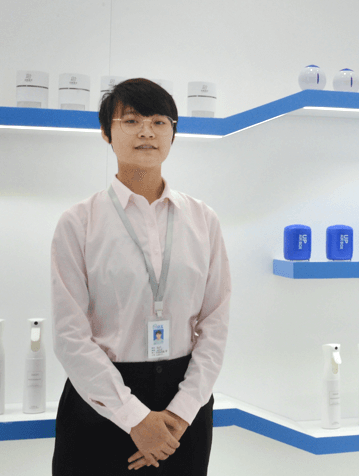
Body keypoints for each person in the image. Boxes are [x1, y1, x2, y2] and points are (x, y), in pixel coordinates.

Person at [50, 78, 232, 475]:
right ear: (106, 132)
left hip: (184, 408)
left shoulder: (203, 220)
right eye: (131, 121)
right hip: (100, 403)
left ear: (173, 133)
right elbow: (69, 336)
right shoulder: (78, 223)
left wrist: (180, 413)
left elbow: (215, 324)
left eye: (159, 122)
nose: (147, 132)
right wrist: (135, 419)